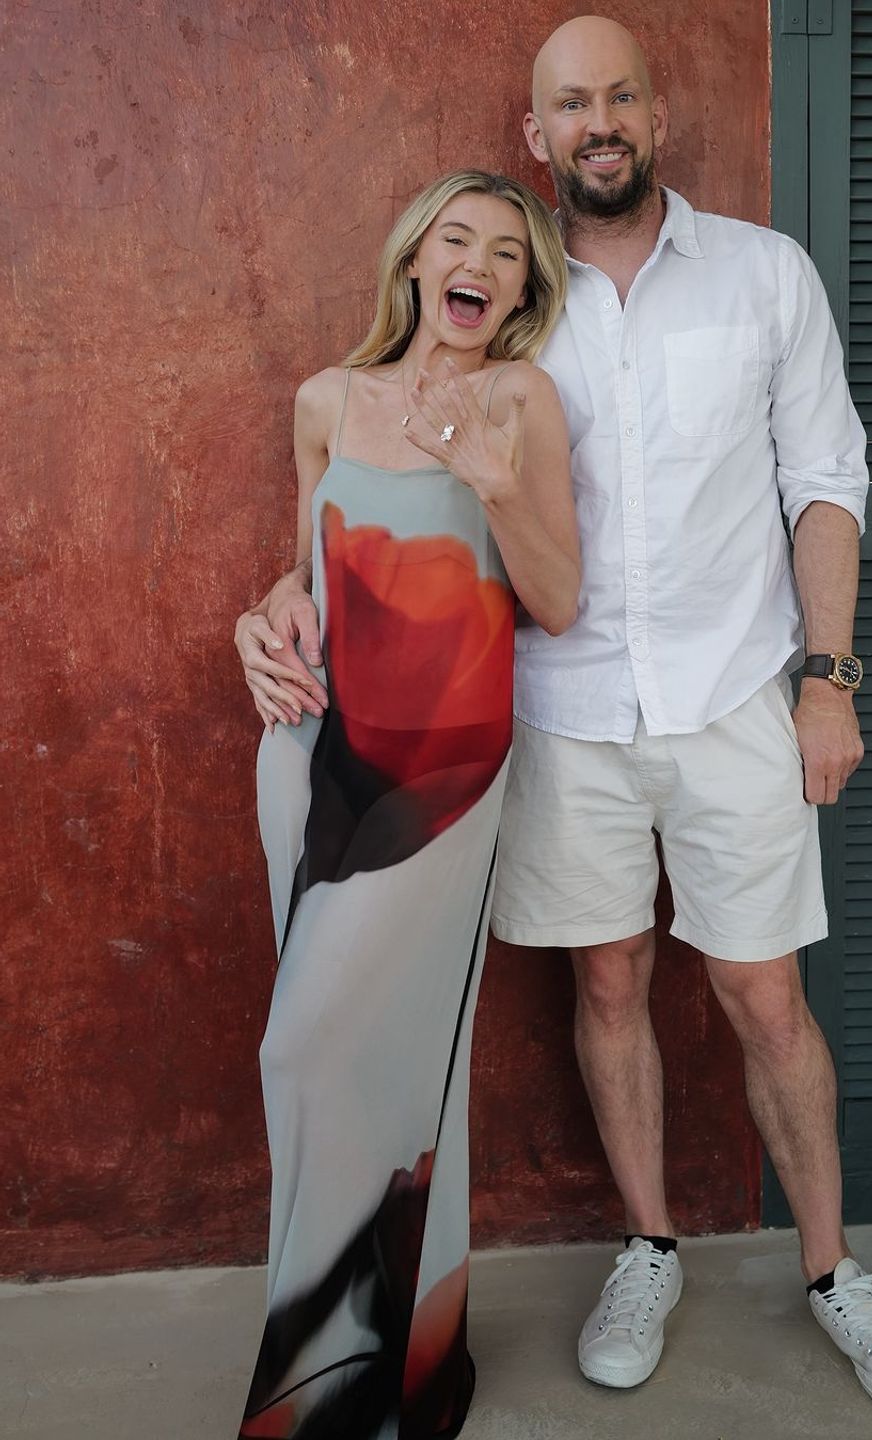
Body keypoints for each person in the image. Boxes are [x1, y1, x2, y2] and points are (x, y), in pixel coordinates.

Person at [237, 15, 872, 1429]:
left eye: (621, 94)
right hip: (552, 716)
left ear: (656, 116)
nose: (600, 121)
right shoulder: (513, 298)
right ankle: (648, 1248)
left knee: (763, 995)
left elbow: (825, 476)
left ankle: (835, 1275)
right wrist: (277, 598)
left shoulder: (763, 275)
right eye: (572, 103)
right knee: (609, 984)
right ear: (538, 134)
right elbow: (378, 493)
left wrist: (829, 674)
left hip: (735, 694)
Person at [233, 169, 579, 1440]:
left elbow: (556, 600)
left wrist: (492, 480)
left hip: (447, 772)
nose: (480, 261)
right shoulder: (327, 398)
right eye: (457, 238)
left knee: (310, 1046)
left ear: (523, 290)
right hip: (312, 759)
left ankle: (325, 1396)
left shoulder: (520, 400)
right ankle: (406, 1372)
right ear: (417, 264)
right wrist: (259, 615)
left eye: (509, 249)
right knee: (340, 1069)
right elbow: (312, 569)